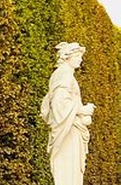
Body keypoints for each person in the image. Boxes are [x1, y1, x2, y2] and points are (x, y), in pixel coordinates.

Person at [40, 42, 95, 185]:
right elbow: (59, 103)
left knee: (71, 171)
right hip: (67, 129)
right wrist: (81, 110)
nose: (80, 59)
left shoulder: (65, 74)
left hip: (71, 126)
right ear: (67, 57)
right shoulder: (64, 74)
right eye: (77, 56)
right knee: (68, 170)